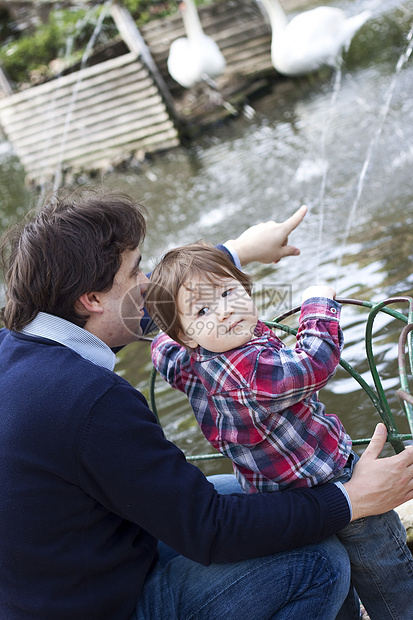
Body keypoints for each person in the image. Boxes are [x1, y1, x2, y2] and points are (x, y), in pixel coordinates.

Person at [0, 190, 412, 620]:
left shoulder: (21, 347)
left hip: (71, 570)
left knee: (249, 499)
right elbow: (209, 530)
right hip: (105, 605)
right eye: (137, 269)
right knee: (320, 564)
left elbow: (166, 318)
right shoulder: (90, 401)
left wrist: (236, 252)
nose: (147, 282)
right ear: (92, 299)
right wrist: (351, 499)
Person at [147, 239, 413, 619]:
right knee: (387, 572)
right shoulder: (248, 371)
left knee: (337, 591)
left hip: (274, 496)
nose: (224, 312)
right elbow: (314, 361)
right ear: (188, 333)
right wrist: (318, 304)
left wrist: (174, 325)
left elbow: (162, 348)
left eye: (227, 292)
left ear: (245, 287)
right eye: (203, 309)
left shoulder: (189, 359)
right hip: (331, 480)